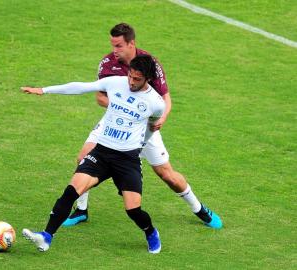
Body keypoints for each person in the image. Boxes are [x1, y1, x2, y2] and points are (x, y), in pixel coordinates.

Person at [62, 23, 222, 229]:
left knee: (167, 174)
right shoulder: (107, 64)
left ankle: (199, 209)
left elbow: (165, 97)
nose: (114, 51)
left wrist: (162, 117)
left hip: (144, 127)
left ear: (131, 44)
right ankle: (81, 211)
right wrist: (125, 108)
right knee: (84, 157)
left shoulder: (149, 64)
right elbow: (100, 98)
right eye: (112, 45)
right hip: (114, 122)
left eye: (119, 46)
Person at [21, 55, 165, 253]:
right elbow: (80, 87)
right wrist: (44, 90)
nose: (131, 82)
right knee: (71, 191)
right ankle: (46, 236)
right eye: (130, 76)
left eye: (137, 79)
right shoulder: (115, 82)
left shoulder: (156, 103)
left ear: (147, 78)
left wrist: (141, 146)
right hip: (102, 153)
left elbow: (152, 127)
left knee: (133, 210)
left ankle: (150, 232)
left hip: (127, 159)